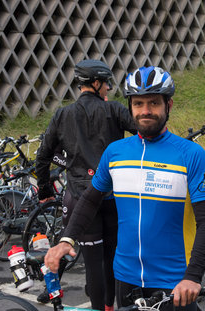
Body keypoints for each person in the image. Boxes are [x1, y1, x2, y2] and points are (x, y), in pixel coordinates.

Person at [45, 66, 205, 311]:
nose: (145, 111)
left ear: (168, 105)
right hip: (125, 279)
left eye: (153, 103)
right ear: (130, 107)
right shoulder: (116, 153)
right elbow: (90, 199)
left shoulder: (190, 154)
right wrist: (66, 239)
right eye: (138, 104)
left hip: (175, 282)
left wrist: (193, 276)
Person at [35, 59, 136, 311]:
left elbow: (43, 155)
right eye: (106, 84)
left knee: (93, 264)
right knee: (111, 259)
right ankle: (110, 307)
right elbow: (144, 132)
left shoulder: (62, 114)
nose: (108, 89)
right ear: (96, 82)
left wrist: (45, 190)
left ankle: (97, 308)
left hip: (80, 197)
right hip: (113, 197)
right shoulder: (114, 110)